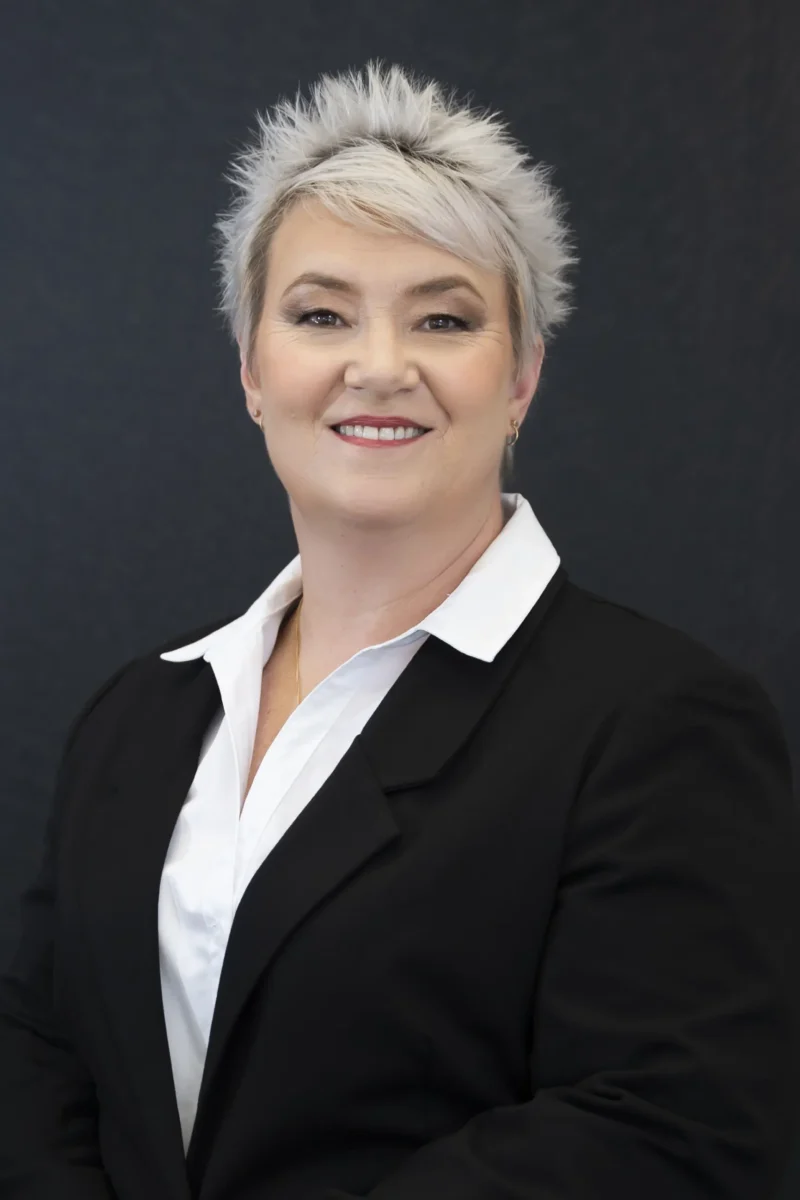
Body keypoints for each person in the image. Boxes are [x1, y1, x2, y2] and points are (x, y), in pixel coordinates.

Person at [0, 59, 798, 1200]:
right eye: (320, 313)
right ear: (251, 372)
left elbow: (665, 1130)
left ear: (520, 377)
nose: (378, 366)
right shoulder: (141, 716)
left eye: (443, 316)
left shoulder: (659, 724)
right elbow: (36, 1050)